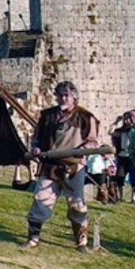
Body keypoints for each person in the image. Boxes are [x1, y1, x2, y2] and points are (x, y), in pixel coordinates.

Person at [21, 81, 99, 253]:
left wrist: (81, 151)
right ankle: (33, 238)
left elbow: (92, 141)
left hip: (74, 167)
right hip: (50, 166)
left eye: (67, 95)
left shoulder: (85, 117)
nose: (63, 98)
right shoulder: (47, 116)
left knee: (77, 205)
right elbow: (37, 137)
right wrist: (36, 148)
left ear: (74, 97)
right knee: (41, 199)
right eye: (60, 94)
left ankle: (81, 242)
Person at [109, 112, 134, 202]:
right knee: (120, 176)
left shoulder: (134, 129)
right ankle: (121, 196)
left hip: (131, 156)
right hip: (122, 155)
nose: (126, 121)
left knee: (133, 177)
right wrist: (116, 122)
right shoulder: (121, 131)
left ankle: (133, 198)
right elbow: (110, 132)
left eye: (128, 119)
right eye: (125, 119)